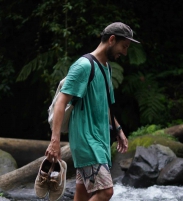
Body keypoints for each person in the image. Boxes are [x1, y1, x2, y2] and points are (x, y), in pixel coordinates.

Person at [45, 22, 140, 201]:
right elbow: (61, 102)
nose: (125, 53)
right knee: (106, 192)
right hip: (87, 142)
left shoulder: (106, 68)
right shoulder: (83, 66)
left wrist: (118, 130)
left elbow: (104, 106)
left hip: (100, 140)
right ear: (112, 40)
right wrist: (54, 141)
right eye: (124, 46)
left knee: (83, 194)